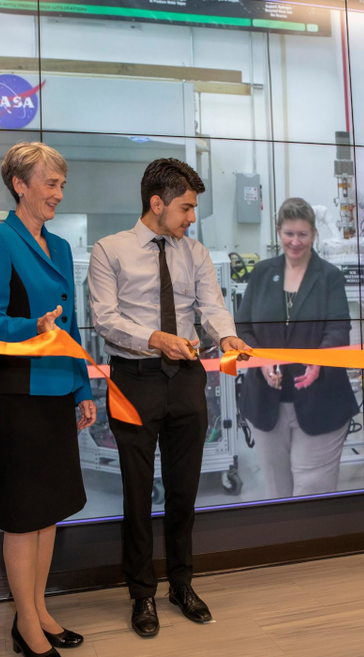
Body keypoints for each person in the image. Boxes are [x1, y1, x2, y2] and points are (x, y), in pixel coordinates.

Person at [88, 158, 250, 638]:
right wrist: (157, 338)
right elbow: (105, 318)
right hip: (134, 379)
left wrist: (227, 338)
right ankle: (141, 594)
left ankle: (182, 583)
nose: (190, 217)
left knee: (184, 492)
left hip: (185, 379)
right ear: (155, 204)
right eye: (185, 207)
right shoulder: (109, 250)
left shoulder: (194, 252)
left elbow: (211, 307)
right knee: (137, 495)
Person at [0, 142, 96, 657]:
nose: (58, 194)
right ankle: (25, 627)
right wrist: (32, 328)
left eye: (62, 185)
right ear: (20, 184)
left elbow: (69, 328)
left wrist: (84, 387)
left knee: (48, 512)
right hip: (14, 394)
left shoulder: (61, 248)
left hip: (55, 391)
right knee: (23, 517)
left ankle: (39, 612)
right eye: (50, 183)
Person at [235, 198, 359, 497]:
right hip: (267, 404)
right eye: (289, 233)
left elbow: (339, 329)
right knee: (278, 495)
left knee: (311, 493)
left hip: (321, 402)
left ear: (314, 234)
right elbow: (242, 329)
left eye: (302, 234)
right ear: (278, 232)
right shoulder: (262, 274)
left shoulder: (329, 276)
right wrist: (261, 361)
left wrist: (319, 362)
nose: (295, 242)